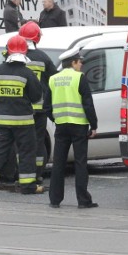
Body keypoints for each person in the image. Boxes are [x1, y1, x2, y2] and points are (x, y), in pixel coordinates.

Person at [0, 35, 43, 195]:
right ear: (24, 52)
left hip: (2, 120)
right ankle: (28, 186)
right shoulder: (27, 74)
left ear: (7, 51)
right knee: (26, 151)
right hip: (24, 122)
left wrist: (3, 100)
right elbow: (36, 97)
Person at [48, 47, 99, 209]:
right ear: (73, 62)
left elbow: (47, 106)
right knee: (80, 163)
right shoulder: (79, 78)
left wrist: (55, 119)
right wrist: (94, 125)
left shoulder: (53, 79)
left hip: (61, 126)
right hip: (79, 126)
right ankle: (83, 201)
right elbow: (88, 104)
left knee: (58, 163)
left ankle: (55, 200)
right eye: (80, 62)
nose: (81, 65)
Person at [19, 21, 58, 192]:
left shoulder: (16, 56)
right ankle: (38, 174)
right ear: (37, 38)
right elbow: (54, 80)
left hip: (21, 108)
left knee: (22, 143)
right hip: (39, 108)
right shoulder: (43, 58)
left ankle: (23, 173)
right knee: (38, 141)